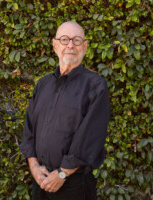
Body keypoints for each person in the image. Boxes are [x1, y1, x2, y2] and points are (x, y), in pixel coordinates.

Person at [19, 21, 110, 200]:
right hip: (41, 180)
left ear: (84, 46)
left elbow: (91, 137)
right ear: (55, 45)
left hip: (73, 185)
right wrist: (34, 167)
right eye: (64, 39)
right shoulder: (43, 84)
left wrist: (62, 173)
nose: (70, 45)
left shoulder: (96, 86)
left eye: (76, 40)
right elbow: (29, 128)